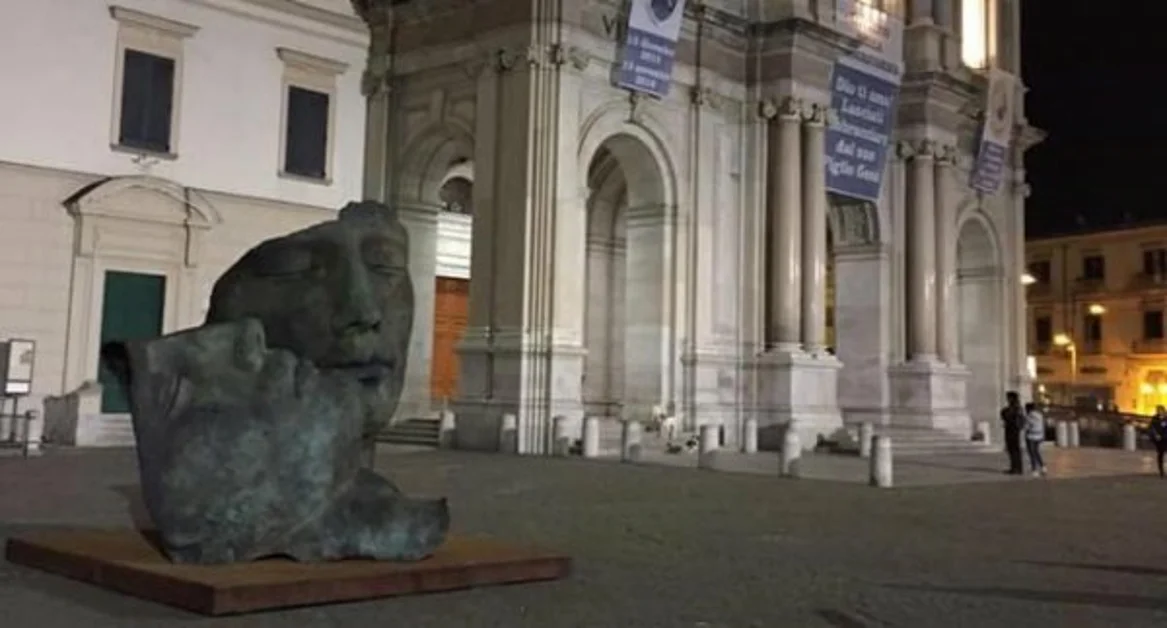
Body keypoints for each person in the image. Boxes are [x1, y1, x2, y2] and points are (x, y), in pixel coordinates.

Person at [1000, 391, 1026, 475]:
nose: (1007, 399)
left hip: (1012, 430)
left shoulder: (1015, 408)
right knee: (1013, 450)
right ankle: (1016, 467)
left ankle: (1016, 468)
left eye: (1008, 397)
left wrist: (1005, 413)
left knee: (1013, 449)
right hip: (1013, 430)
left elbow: (1006, 415)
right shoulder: (1017, 407)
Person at [1024, 402, 1047, 476]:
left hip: (1031, 436)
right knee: (1036, 452)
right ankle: (1043, 467)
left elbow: (1026, 426)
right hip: (1039, 435)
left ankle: (1034, 470)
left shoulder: (1029, 416)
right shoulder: (1040, 415)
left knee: (1032, 453)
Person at [1149, 405, 1167, 478]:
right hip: (1159, 440)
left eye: (1160, 410)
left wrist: (1163, 436)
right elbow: (1152, 427)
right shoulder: (1155, 419)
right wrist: (1156, 435)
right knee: (1160, 454)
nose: (1159, 412)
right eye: (1158, 410)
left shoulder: (1166, 419)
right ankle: (1161, 471)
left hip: (1165, 438)